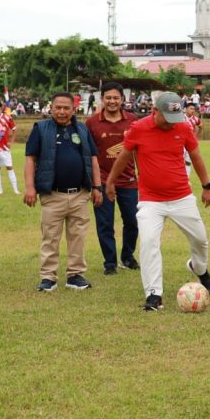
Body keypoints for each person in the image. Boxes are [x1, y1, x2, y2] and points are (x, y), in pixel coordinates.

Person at [105, 92, 210, 311]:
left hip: (182, 197)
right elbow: (124, 156)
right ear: (155, 111)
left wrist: (207, 186)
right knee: (148, 243)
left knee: (201, 240)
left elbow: (196, 156)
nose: (171, 124)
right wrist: (110, 182)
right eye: (167, 118)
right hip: (150, 201)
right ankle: (154, 294)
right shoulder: (138, 129)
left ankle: (199, 268)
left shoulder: (182, 127)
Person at [23, 92, 103, 292]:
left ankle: (75, 275)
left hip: (79, 195)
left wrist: (97, 187)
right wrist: (30, 187)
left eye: (66, 108)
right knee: (50, 237)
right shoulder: (41, 129)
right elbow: (30, 159)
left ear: (73, 109)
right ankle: (48, 277)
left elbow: (93, 159)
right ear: (51, 108)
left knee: (78, 236)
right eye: (57, 107)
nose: (61, 111)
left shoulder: (82, 129)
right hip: (52, 195)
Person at [85, 82, 140, 276]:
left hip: (129, 181)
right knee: (105, 224)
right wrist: (94, 184)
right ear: (102, 99)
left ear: (122, 99)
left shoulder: (133, 120)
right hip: (101, 182)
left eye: (116, 97)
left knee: (133, 222)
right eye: (108, 97)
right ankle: (110, 262)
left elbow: (140, 149)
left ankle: (127, 257)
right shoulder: (92, 123)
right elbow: (88, 153)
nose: (112, 101)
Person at [183, 102, 202, 178]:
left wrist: (195, 136)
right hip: (181, 142)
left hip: (190, 143)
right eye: (191, 108)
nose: (193, 110)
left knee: (188, 162)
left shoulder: (196, 119)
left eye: (194, 109)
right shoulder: (180, 118)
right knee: (180, 161)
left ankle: (187, 179)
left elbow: (200, 126)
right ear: (186, 109)